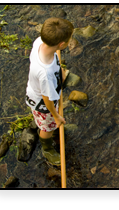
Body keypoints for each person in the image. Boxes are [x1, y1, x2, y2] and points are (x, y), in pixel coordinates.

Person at [25, 17, 74, 166]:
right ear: (61, 44)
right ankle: (47, 148)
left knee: (47, 122)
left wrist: (59, 71)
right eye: (69, 39)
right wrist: (56, 116)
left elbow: (54, 58)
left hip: (37, 88)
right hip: (43, 104)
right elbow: (47, 100)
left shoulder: (40, 41)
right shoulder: (45, 74)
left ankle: (42, 123)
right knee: (48, 126)